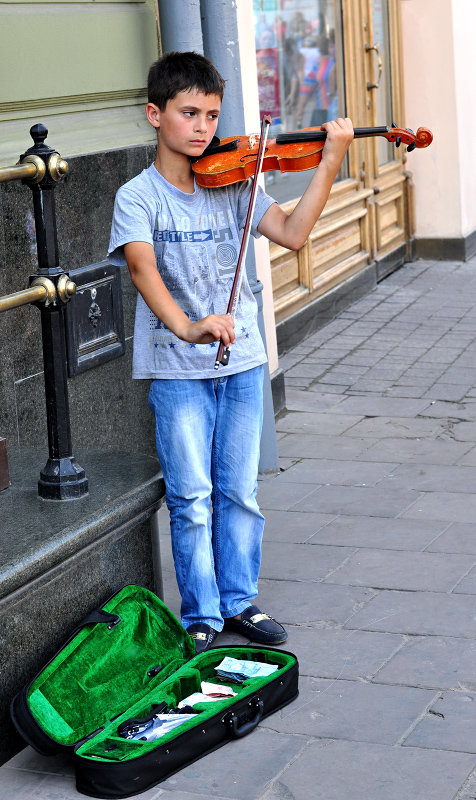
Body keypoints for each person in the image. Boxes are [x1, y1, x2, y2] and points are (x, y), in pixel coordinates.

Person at [107, 51, 353, 653]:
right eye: (189, 113)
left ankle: (239, 602)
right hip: (177, 369)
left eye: (212, 116)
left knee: (238, 492)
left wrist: (331, 161)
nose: (203, 129)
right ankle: (201, 614)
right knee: (191, 497)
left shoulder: (238, 177)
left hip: (242, 364)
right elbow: (142, 270)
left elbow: (293, 236)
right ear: (154, 115)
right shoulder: (137, 197)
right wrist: (188, 327)